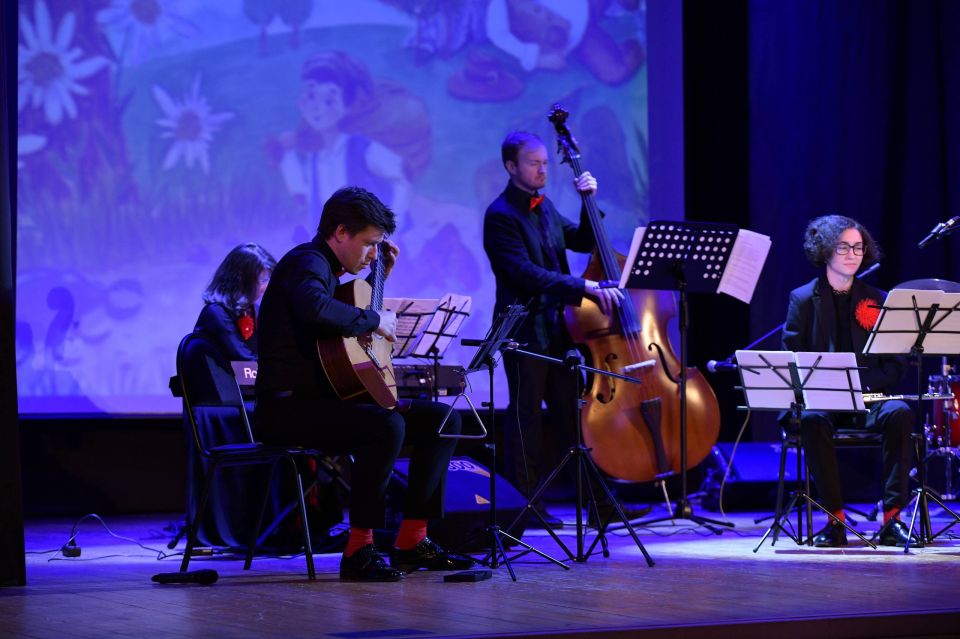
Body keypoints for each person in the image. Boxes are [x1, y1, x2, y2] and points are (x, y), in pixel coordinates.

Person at [254, 186, 476, 581]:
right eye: (369, 243)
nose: (373, 253)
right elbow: (317, 309)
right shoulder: (306, 263)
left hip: (326, 401)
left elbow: (338, 331)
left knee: (443, 419)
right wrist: (376, 319)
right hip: (287, 409)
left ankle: (412, 540)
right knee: (385, 423)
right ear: (340, 232)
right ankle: (359, 548)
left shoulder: (331, 274)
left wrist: (380, 281)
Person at [482, 130, 623, 527]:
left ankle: (600, 507)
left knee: (571, 420)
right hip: (523, 330)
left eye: (545, 163)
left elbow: (581, 240)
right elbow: (526, 274)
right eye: (534, 163)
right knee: (524, 422)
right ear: (511, 167)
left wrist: (587, 202)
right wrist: (585, 287)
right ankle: (524, 510)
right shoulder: (500, 216)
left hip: (557, 330)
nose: (543, 169)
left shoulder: (544, 208)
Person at [781, 214, 917, 547]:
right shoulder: (802, 299)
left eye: (858, 247)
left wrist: (863, 386)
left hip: (869, 397)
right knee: (812, 420)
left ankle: (891, 520)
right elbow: (792, 360)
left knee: (899, 412)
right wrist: (826, 388)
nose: (853, 254)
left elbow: (897, 362)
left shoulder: (878, 298)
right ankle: (834, 521)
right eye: (844, 247)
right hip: (823, 400)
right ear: (825, 250)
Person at [195, 243, 275, 362]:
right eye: (262, 280)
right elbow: (244, 362)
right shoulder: (216, 314)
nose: (266, 286)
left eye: (268, 279)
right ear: (242, 281)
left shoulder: (253, 310)